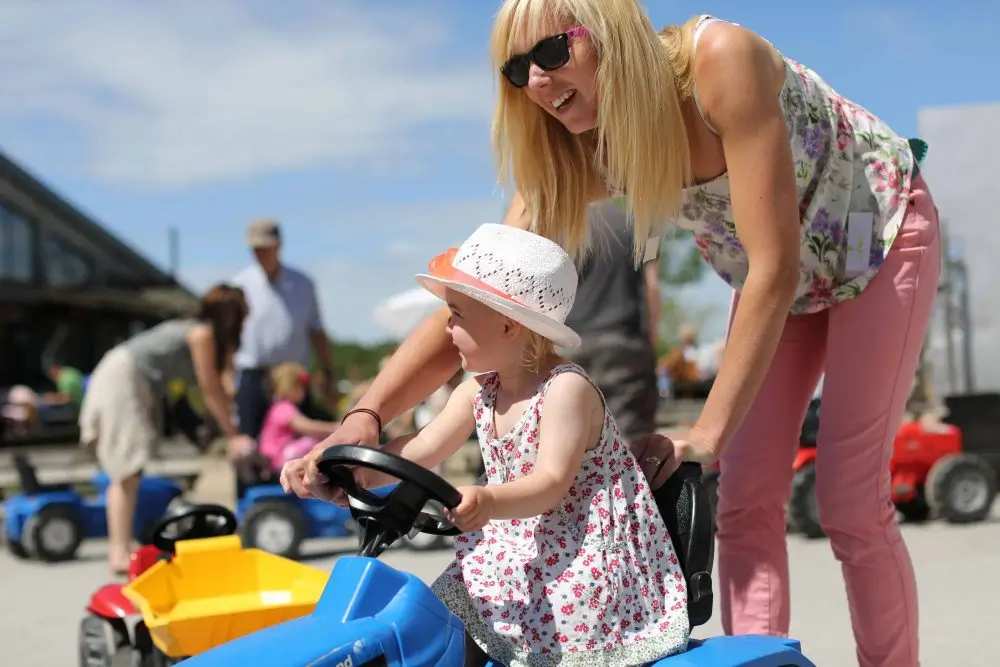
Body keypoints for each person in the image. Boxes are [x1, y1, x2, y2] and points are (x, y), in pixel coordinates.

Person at [285, 5, 939, 666]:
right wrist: (366, 416)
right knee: (742, 502)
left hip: (878, 239)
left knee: (849, 500)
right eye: (518, 69)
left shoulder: (718, 63)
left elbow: (776, 263)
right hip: (777, 277)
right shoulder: (578, 152)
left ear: (608, 31)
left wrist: (707, 433)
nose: (537, 80)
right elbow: (479, 299)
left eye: (550, 52)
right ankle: (761, 656)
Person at [322, 224, 689, 665]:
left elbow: (551, 482)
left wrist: (489, 500)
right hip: (512, 552)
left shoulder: (565, 391)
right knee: (432, 621)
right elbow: (420, 450)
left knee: (550, 617)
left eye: (457, 314)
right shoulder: (477, 392)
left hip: (581, 560)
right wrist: (350, 469)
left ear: (508, 325)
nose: (448, 328)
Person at [79, 284, 252, 574]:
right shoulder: (202, 333)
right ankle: (119, 553)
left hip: (129, 378)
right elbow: (210, 390)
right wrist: (233, 435)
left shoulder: (200, 332)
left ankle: (120, 548)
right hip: (124, 379)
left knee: (127, 472)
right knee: (126, 471)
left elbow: (222, 384)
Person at [562, 198, 661, 444]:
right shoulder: (641, 226)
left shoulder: (558, 227)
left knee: (565, 442)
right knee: (630, 443)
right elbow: (652, 286)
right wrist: (652, 341)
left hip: (566, 344)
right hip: (623, 342)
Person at [232, 218, 337, 442]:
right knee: (250, 442)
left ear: (278, 245)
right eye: (255, 249)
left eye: (265, 248)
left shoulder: (303, 284)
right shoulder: (240, 284)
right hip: (254, 375)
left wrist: (328, 371)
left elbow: (316, 330)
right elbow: (229, 336)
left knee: (303, 442)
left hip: (294, 376)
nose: (260, 254)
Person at [258, 362, 342, 473]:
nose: (304, 392)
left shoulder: (279, 406)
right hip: (278, 458)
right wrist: (335, 428)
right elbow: (307, 426)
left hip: (275, 458)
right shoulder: (284, 407)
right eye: (301, 387)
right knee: (313, 443)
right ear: (291, 386)